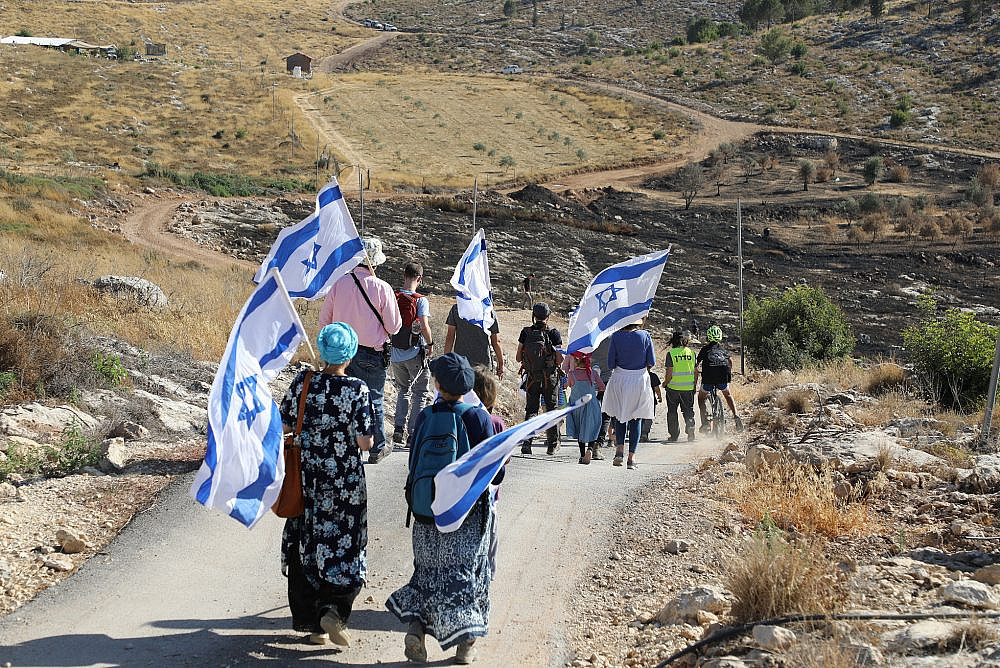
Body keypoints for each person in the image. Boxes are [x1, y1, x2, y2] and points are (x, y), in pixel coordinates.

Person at [387, 353, 499, 665]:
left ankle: (416, 630)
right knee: (465, 577)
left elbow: (413, 463)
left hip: (426, 512)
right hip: (465, 515)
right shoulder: (478, 418)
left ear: (437, 384)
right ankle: (466, 646)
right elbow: (495, 473)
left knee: (426, 575)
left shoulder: (425, 417)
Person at [280, 323, 373, 648]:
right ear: (350, 353)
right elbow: (365, 442)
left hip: (307, 477)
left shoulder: (303, 382)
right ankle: (334, 609)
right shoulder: (357, 389)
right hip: (343, 483)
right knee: (344, 545)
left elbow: (286, 424)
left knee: (309, 543)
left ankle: (313, 624)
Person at [318, 237, 402, 464]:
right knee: (373, 399)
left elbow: (324, 322)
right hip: (371, 352)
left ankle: (344, 444)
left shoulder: (339, 284)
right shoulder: (383, 288)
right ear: (375, 262)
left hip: (341, 352)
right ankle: (377, 447)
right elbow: (394, 326)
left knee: (343, 399)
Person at [390, 262, 434, 446]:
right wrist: (430, 344)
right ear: (419, 278)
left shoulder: (393, 296)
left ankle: (398, 429)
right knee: (420, 393)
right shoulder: (420, 300)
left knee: (403, 390)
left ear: (404, 275)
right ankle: (413, 434)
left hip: (395, 354)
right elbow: (423, 325)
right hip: (415, 353)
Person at [601, 320, 655, 470]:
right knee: (636, 418)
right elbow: (652, 361)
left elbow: (610, 363)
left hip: (620, 378)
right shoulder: (645, 336)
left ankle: (619, 450)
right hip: (639, 379)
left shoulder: (616, 336)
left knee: (619, 416)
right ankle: (632, 458)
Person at [516, 302, 563, 455]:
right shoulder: (554, 333)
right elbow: (559, 360)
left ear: (534, 316)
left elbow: (518, 357)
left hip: (532, 378)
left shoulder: (526, 332)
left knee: (531, 410)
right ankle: (552, 445)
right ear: (548, 317)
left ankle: (526, 444)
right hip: (550, 378)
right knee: (551, 410)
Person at [696, 325, 744, 433]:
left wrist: (697, 373)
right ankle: (736, 415)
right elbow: (730, 362)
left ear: (708, 337)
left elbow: (696, 364)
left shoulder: (704, 349)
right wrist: (729, 372)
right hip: (723, 377)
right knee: (727, 394)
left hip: (708, 378)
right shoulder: (724, 350)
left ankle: (705, 423)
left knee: (700, 398)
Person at [563, 351, 605, 464]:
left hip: (577, 406)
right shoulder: (593, 374)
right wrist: (598, 398)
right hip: (591, 405)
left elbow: (569, 385)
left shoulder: (572, 374)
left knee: (579, 429)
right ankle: (590, 449)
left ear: (576, 362)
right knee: (593, 427)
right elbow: (602, 387)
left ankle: (582, 455)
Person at [444, 304, 505, 381]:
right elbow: (496, 342)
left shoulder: (457, 309)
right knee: (482, 390)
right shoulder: (488, 312)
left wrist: (446, 359)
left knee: (463, 390)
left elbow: (450, 337)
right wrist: (501, 364)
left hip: (461, 362)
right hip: (483, 363)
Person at [663, 330, 697, 443]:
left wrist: (665, 383)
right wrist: (694, 385)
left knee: (672, 411)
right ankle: (691, 430)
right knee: (688, 410)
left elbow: (669, 372)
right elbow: (696, 371)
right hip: (688, 388)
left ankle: (674, 436)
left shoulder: (671, 354)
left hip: (673, 388)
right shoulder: (691, 353)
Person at [589, 337, 613, 457]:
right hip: (607, 381)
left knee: (591, 414)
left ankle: (589, 445)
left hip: (590, 380)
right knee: (606, 414)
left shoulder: (592, 336)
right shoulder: (612, 337)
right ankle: (597, 446)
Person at [640, 370, 662, 442]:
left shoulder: (639, 376)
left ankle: (638, 433)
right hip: (650, 400)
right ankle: (644, 434)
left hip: (639, 400)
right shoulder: (653, 376)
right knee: (648, 418)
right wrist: (660, 397)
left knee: (639, 417)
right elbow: (657, 389)